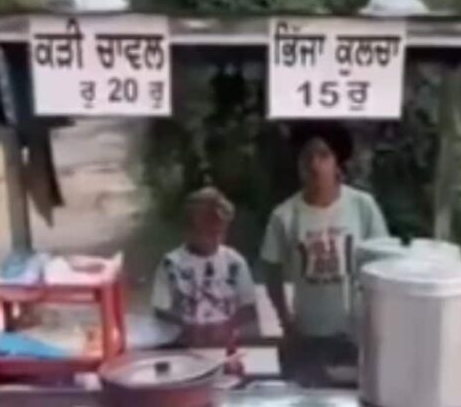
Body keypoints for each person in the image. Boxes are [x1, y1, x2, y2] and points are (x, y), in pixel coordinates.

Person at [260, 134, 389, 385]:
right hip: (307, 333)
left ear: (337, 163)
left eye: (323, 156)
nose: (315, 164)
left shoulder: (362, 206)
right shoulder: (284, 216)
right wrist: (286, 322)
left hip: (354, 333)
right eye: (307, 158)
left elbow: (382, 261)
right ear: (299, 167)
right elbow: (270, 268)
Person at [151, 187, 259, 348]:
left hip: (227, 345)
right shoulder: (171, 264)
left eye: (220, 232)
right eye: (207, 232)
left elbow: (249, 307)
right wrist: (189, 327)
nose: (215, 238)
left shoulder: (235, 262)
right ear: (188, 231)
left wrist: (226, 327)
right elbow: (161, 309)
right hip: (184, 347)